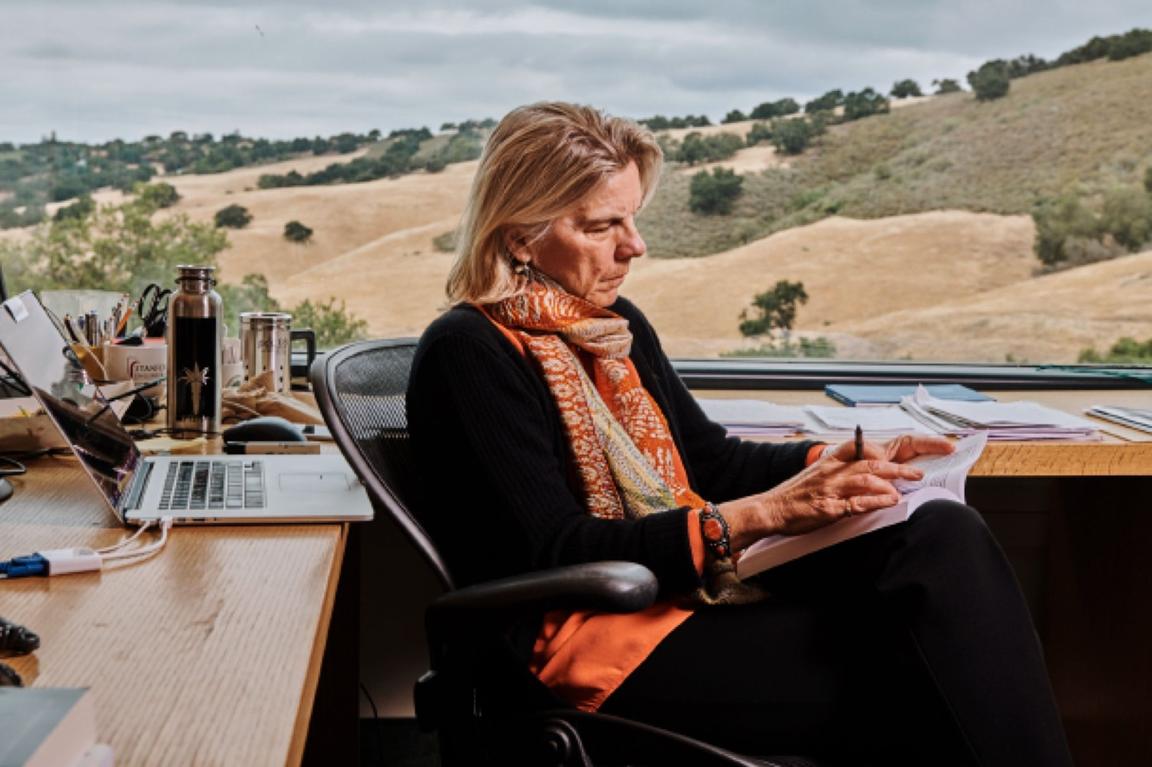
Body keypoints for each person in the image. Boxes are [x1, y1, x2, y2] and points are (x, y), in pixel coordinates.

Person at [407, 101, 1073, 765]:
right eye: (604, 225)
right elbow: (557, 547)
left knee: (939, 534)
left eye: (632, 218)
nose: (633, 246)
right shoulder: (467, 352)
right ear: (521, 234)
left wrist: (839, 461)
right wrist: (760, 515)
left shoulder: (610, 325)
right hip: (591, 646)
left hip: (680, 601)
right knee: (927, 666)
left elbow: (710, 462)